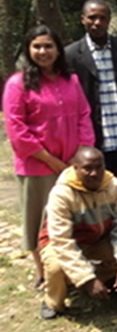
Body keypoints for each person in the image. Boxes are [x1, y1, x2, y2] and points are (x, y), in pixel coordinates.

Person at [3, 25, 95, 288]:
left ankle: (73, 267)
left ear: (58, 49)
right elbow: (17, 129)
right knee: (39, 219)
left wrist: (81, 154)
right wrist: (51, 160)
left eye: (48, 46)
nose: (43, 52)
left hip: (72, 164)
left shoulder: (72, 80)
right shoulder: (17, 84)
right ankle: (44, 271)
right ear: (29, 50)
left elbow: (84, 117)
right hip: (37, 166)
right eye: (37, 46)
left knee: (72, 216)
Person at [38, 147, 117, 319]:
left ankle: (107, 281)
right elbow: (62, 241)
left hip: (97, 239)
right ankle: (53, 302)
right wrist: (87, 279)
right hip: (59, 242)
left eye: (99, 167)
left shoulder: (114, 186)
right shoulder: (61, 193)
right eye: (87, 168)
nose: (94, 173)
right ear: (75, 168)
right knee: (55, 267)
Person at [65, 0, 117, 194]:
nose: (97, 22)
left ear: (109, 20)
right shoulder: (71, 54)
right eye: (92, 17)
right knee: (96, 194)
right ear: (82, 19)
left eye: (102, 18)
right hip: (94, 141)